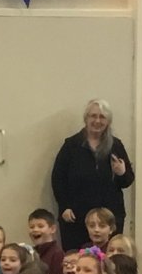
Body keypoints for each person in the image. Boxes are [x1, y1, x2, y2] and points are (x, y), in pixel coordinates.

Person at [51, 99, 134, 250]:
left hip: (109, 219)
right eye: (93, 116)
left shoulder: (116, 145)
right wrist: (64, 206)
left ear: (108, 121)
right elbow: (58, 179)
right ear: (86, 119)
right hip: (76, 218)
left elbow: (127, 181)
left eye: (102, 117)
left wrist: (122, 173)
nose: (97, 121)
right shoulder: (71, 145)